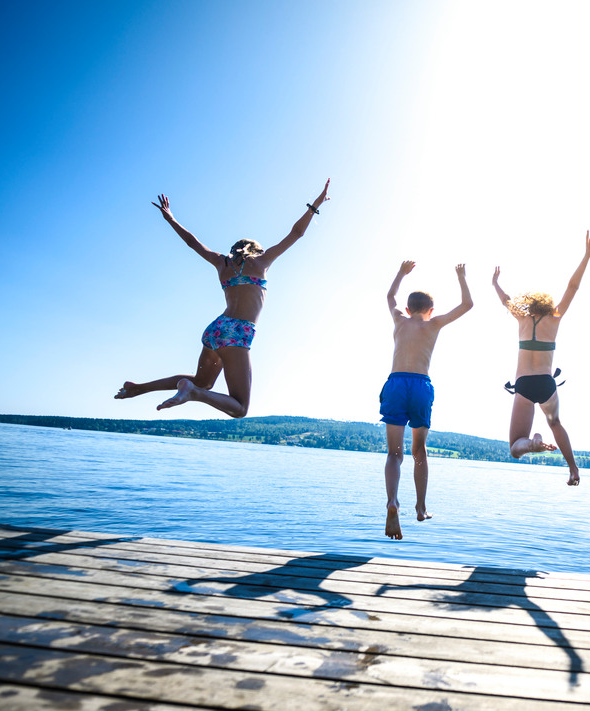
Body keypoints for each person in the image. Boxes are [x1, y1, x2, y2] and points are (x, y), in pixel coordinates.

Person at [114, 183, 331, 417]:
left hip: (216, 328)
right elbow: (296, 233)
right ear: (256, 250)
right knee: (240, 408)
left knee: (202, 382)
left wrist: (170, 219)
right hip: (237, 332)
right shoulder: (262, 262)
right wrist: (315, 205)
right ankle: (193, 394)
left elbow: (192, 242)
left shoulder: (221, 263)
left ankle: (139, 389)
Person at [381, 260, 473, 540]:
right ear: (430, 310)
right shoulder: (434, 324)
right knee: (419, 452)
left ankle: (392, 502)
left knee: (394, 454)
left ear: (408, 310)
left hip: (396, 382)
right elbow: (467, 305)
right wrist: (461, 276)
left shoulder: (399, 320)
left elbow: (390, 297)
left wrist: (400, 272)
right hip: (421, 386)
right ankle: (420, 508)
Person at [491, 231, 590, 487]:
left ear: (528, 306)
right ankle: (573, 469)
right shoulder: (554, 319)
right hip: (546, 384)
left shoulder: (521, 319)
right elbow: (572, 287)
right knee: (555, 423)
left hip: (524, 385)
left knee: (515, 447)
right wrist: (587, 256)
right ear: (547, 306)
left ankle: (532, 444)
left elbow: (505, 300)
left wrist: (495, 283)